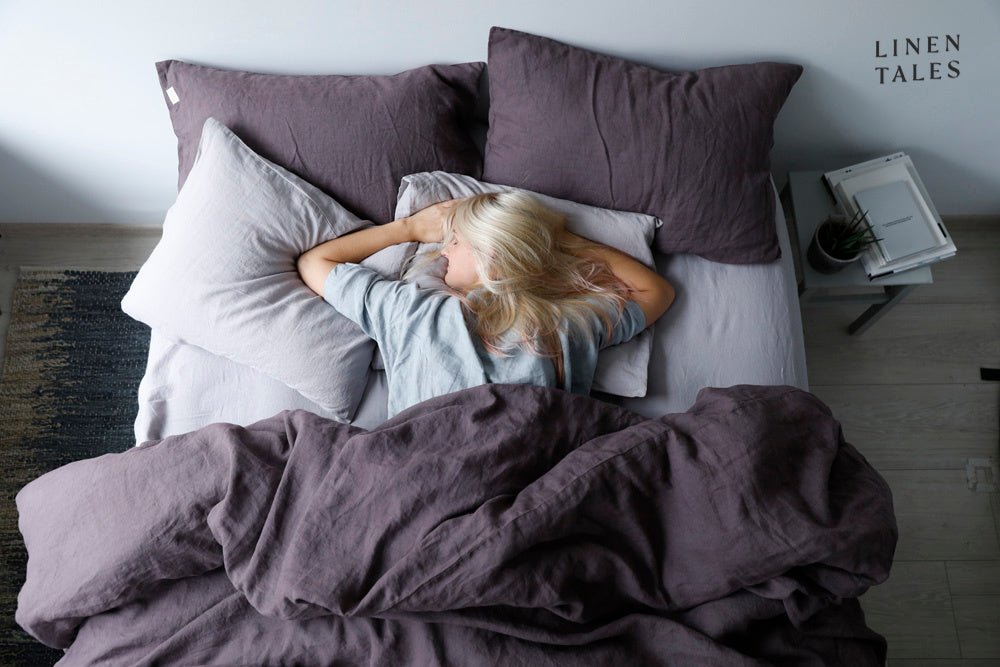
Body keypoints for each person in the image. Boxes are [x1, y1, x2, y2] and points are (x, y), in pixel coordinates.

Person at [297, 191, 674, 417]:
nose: (443, 251)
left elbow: (314, 263)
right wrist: (566, 242)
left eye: (455, 240)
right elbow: (655, 291)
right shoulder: (566, 323)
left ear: (490, 249)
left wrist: (408, 229)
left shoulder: (412, 311)